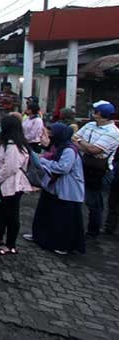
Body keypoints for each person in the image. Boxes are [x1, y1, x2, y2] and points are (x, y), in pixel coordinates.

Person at [25, 123, 85, 254]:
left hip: (67, 190)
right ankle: (40, 237)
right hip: (53, 186)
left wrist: (43, 161)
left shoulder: (69, 149)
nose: (49, 136)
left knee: (63, 220)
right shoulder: (57, 147)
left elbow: (63, 167)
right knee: (45, 213)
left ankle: (63, 245)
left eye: (52, 133)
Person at [0, 116, 32, 256]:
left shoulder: (13, 146)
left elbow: (10, 167)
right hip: (3, 185)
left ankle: (10, 244)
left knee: (11, 215)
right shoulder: (8, 143)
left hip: (12, 186)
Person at [74, 101, 119, 236]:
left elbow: (95, 149)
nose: (93, 113)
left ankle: (93, 230)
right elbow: (73, 138)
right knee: (79, 197)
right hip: (82, 164)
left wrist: (80, 143)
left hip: (99, 171)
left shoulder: (113, 132)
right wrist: (85, 146)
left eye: (95, 111)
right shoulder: (90, 125)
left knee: (94, 201)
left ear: (100, 114)